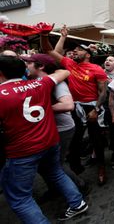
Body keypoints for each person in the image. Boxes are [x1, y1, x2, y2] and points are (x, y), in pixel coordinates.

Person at [0, 55, 88, 222]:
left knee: (20, 198)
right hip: (49, 142)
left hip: (22, 151)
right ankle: (77, 203)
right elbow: (63, 71)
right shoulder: (41, 83)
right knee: (55, 172)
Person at [41, 26, 108, 185]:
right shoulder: (70, 64)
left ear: (88, 54)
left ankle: (101, 168)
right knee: (75, 139)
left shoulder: (96, 69)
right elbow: (50, 51)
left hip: (91, 107)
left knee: (96, 139)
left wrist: (96, 110)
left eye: (79, 50)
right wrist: (58, 36)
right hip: (74, 107)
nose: (75, 52)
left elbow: (103, 92)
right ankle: (76, 167)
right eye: (75, 50)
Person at [22, 53, 89, 198]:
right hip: (50, 128)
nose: (26, 66)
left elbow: (68, 104)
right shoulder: (35, 81)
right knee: (46, 164)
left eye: (29, 63)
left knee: (56, 164)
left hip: (63, 129)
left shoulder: (57, 83)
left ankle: (79, 186)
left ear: (41, 66)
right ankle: (56, 188)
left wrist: (38, 108)